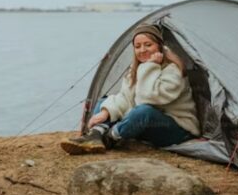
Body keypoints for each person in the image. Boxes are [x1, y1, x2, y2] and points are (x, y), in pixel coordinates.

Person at [60, 23, 199, 155]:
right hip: (148, 123)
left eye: (148, 45)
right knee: (105, 101)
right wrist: (105, 113)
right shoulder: (135, 70)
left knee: (144, 111)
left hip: (178, 129)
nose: (142, 50)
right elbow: (126, 98)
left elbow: (148, 98)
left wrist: (150, 66)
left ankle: (109, 138)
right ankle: (96, 135)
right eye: (137, 46)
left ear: (160, 47)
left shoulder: (173, 70)